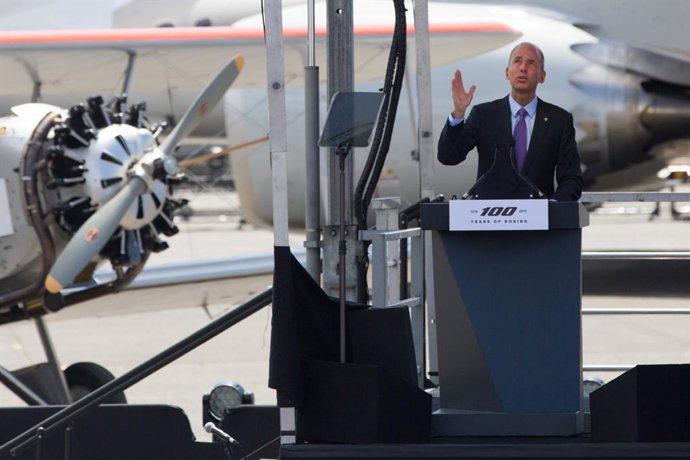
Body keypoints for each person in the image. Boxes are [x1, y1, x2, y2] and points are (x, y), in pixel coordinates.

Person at [437, 42, 583, 201]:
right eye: (517, 61)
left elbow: (571, 179)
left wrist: (552, 208)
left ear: (542, 76)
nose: (523, 68)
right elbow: (449, 157)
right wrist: (458, 113)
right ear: (507, 72)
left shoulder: (559, 120)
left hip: (539, 220)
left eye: (531, 63)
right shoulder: (484, 114)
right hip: (489, 220)